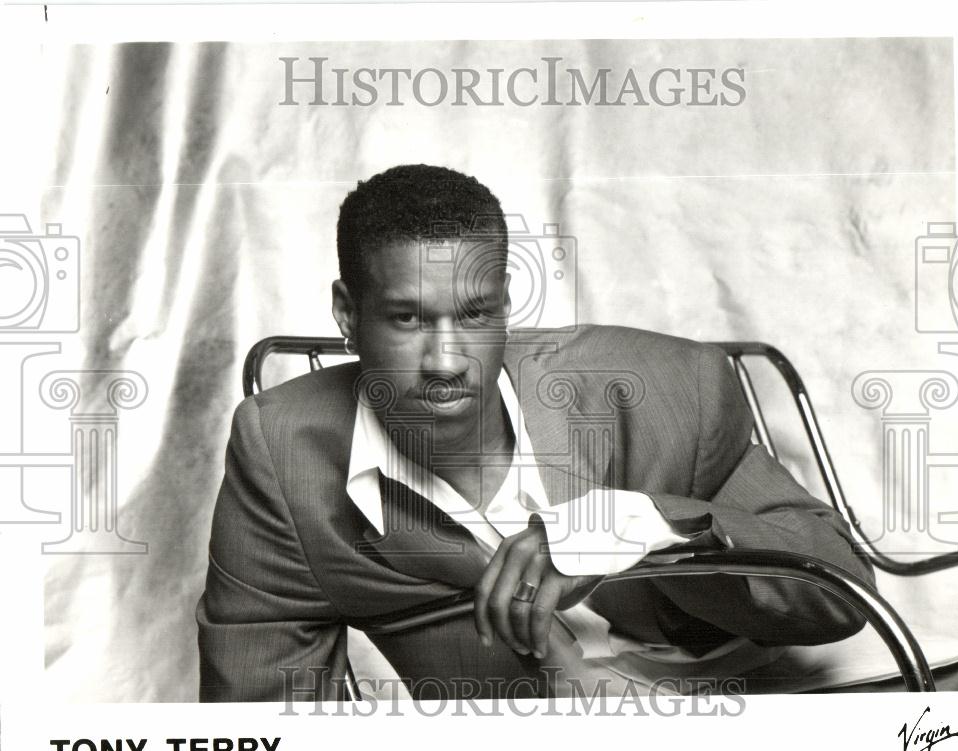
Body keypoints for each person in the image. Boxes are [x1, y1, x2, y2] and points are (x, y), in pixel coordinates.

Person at [196, 164, 875, 702]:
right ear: (347, 312)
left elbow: (840, 591)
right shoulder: (283, 455)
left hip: (757, 716)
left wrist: (631, 524)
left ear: (506, 307)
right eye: (407, 319)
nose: (446, 360)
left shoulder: (666, 388)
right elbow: (265, 723)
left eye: (473, 314)